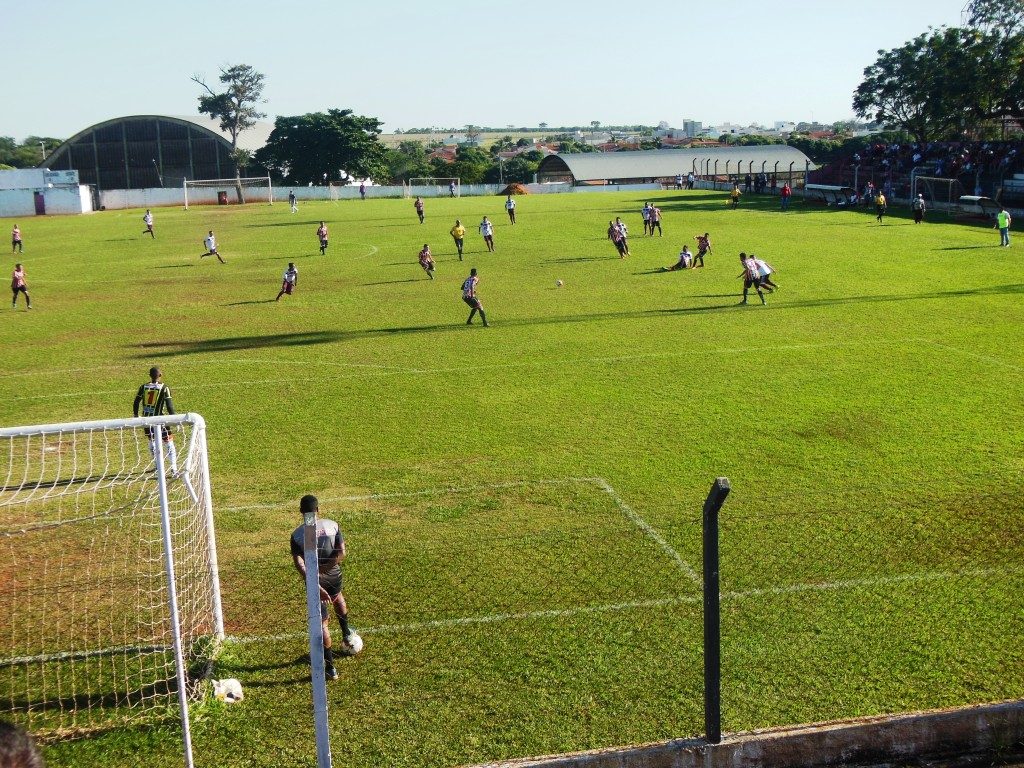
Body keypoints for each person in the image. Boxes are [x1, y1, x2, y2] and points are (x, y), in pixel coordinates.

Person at [290, 495, 355, 682]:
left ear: (301, 512)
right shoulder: (332, 525)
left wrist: (314, 578)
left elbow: (299, 563)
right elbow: (341, 553)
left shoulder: (297, 535)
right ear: (318, 510)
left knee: (322, 622)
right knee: (338, 597)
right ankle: (347, 635)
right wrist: (327, 568)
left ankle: (330, 668)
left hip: (315, 581)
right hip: (334, 575)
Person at [133, 366, 178, 475]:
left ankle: (157, 466)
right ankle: (174, 469)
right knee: (168, 441)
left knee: (152, 441)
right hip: (160, 420)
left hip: (147, 420)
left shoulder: (143, 387)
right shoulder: (164, 388)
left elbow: (136, 402)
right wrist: (175, 419)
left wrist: (136, 415)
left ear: (150, 375)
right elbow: (169, 406)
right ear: (160, 375)